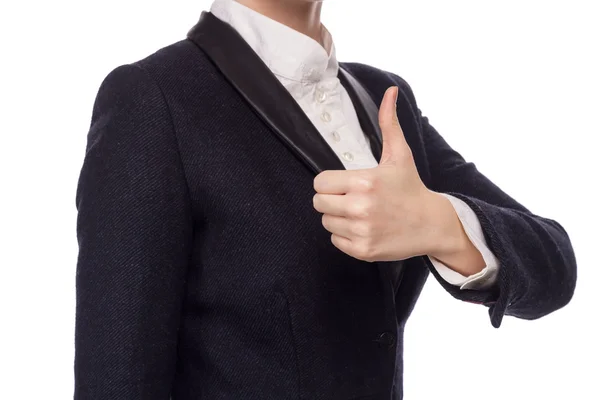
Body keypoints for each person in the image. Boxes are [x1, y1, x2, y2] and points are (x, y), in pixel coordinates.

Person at [73, 0, 577, 398]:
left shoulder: (385, 97)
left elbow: (553, 268)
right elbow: (119, 375)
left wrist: (440, 223)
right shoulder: (153, 97)